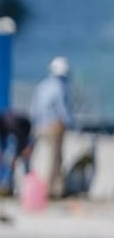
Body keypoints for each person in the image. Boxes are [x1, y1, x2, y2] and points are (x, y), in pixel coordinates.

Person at [28, 56, 75, 199]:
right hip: (54, 126)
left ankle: (36, 188)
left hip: (39, 126)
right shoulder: (60, 86)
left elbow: (33, 108)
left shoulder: (42, 85)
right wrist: (72, 123)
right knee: (55, 159)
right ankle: (52, 191)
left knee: (37, 158)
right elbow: (62, 109)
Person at [0, 109, 32, 197]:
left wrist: (23, 150)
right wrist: (1, 153)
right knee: (10, 164)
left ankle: (28, 190)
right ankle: (10, 187)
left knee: (24, 164)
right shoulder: (0, 126)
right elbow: (2, 140)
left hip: (27, 132)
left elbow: (21, 137)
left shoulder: (10, 121)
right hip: (19, 137)